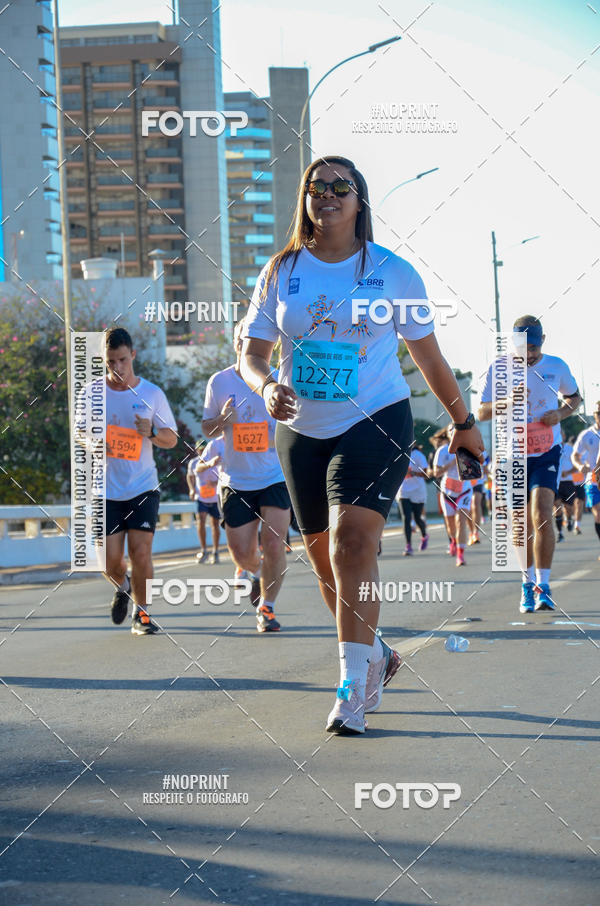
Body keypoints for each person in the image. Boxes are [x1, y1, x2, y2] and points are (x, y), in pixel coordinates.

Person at [240, 154, 483, 734]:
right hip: (300, 429)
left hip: (376, 417)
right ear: (305, 199)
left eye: (339, 187)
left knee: (354, 544)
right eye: (315, 187)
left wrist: (464, 422)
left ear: (359, 199)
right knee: (326, 563)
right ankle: (376, 654)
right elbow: (251, 354)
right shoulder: (280, 272)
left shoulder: (394, 273)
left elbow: (428, 356)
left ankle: (350, 688)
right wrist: (266, 384)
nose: (326, 195)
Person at [479, 315, 581, 613]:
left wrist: (560, 416)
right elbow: (482, 411)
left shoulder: (556, 366)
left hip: (547, 450)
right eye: (524, 350)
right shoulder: (499, 368)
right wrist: (508, 401)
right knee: (521, 522)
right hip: (514, 453)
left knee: (542, 513)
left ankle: (544, 586)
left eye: (534, 348)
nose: (530, 355)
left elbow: (574, 398)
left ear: (542, 341)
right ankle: (526, 584)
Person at [202, 318, 291, 632]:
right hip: (236, 480)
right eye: (241, 339)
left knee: (275, 544)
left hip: (275, 475)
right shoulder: (219, 382)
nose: (245, 345)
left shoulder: (280, 379)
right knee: (241, 554)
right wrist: (222, 420)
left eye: (252, 340)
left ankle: (267, 608)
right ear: (236, 343)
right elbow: (206, 428)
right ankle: (256, 573)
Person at [98, 328, 177, 634]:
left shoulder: (151, 394)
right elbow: (78, 431)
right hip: (105, 489)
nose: (117, 368)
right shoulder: (92, 393)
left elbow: (171, 439)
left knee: (141, 552)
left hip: (143, 486)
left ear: (133, 355)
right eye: (110, 362)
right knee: (110, 562)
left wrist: (152, 434)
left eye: (121, 360)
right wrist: (93, 443)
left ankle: (142, 614)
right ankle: (123, 585)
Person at [433, 429, 473, 567]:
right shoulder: (442, 451)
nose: (454, 432)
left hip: (464, 490)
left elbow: (477, 470)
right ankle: (454, 542)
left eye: (456, 429)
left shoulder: (468, 448)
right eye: (451, 430)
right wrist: (451, 463)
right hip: (448, 492)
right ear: (448, 434)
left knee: (461, 521)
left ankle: (460, 555)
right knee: (451, 526)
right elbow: (436, 473)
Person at [186, 437, 224, 564]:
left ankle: (215, 551)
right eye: (199, 449)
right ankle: (203, 550)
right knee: (200, 520)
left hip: (214, 497)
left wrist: (216, 482)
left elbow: (225, 474)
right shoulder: (193, 463)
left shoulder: (215, 460)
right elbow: (189, 476)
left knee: (214, 524)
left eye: (203, 449)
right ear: (197, 450)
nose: (201, 451)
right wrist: (191, 489)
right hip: (201, 496)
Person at [572, 404, 600, 557]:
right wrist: (580, 465)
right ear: (594, 414)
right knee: (598, 514)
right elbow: (575, 456)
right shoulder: (587, 435)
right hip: (594, 480)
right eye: (598, 412)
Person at [396, 446, 429, 555]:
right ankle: (408, 545)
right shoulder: (398, 453)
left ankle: (424, 535)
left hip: (417, 490)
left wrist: (412, 473)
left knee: (417, 517)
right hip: (403, 491)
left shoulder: (418, 455)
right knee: (406, 518)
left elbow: (426, 474)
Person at [554, 432, 576, 542]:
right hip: (555, 483)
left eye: (561, 433)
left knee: (569, 508)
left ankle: (570, 519)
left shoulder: (570, 449)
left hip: (568, 482)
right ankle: (560, 533)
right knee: (557, 507)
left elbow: (577, 465)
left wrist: (568, 472)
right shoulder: (551, 447)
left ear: (564, 436)